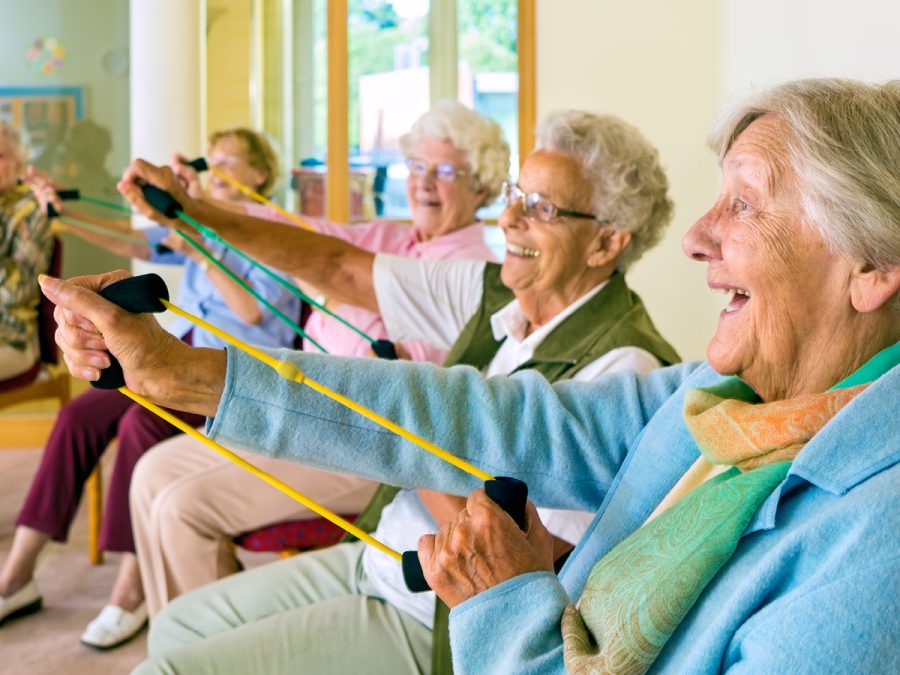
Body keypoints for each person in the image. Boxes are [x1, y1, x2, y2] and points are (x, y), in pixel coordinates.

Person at [46, 78, 899, 673]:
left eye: (745, 202)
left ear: (871, 267)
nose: (698, 238)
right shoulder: (722, 399)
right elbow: (472, 411)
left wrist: (510, 596)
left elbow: (516, 537)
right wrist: (185, 373)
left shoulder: (876, 542)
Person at [124, 107, 680, 672]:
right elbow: (338, 263)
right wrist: (194, 212)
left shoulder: (624, 367)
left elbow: (547, 564)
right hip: (384, 550)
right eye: (517, 194)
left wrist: (405, 435)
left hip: (437, 613)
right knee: (178, 625)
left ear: (607, 243)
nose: (509, 218)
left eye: (541, 208)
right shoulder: (494, 293)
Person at [127, 101, 509, 620]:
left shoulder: (472, 268)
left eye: (444, 171)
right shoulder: (391, 238)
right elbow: (299, 236)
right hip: (298, 413)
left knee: (180, 508)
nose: (424, 183)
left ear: (482, 187)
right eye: (417, 167)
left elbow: (418, 378)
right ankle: (187, 638)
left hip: (368, 443)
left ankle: (206, 648)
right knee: (150, 474)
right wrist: (192, 206)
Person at [0, 127, 301, 650]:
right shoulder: (203, 222)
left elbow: (255, 314)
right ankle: (17, 574)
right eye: (216, 158)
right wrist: (60, 213)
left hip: (239, 375)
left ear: (261, 173)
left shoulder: (274, 233)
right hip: (186, 354)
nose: (219, 167)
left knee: (142, 422)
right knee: (78, 417)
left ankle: (129, 587)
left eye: (233, 159)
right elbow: (132, 241)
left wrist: (202, 248)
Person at [0, 121, 54, 381]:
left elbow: (15, 294)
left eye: (0, 156)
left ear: (20, 165)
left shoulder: (33, 212)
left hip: (12, 340)